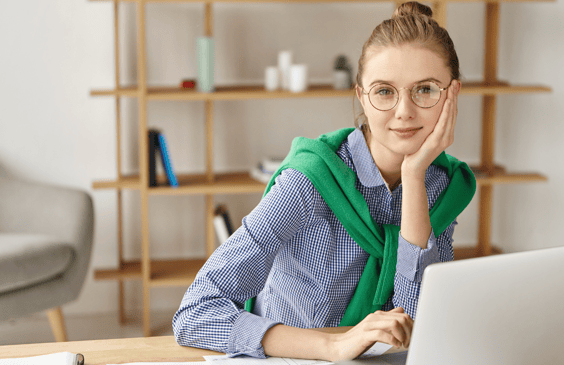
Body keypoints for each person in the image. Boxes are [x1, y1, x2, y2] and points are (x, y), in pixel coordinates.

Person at [172, 2, 475, 362]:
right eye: (384, 91)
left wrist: (414, 177)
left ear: (452, 94)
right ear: (361, 95)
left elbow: (415, 325)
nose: (404, 111)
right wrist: (333, 346)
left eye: (425, 90)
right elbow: (195, 313)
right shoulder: (310, 181)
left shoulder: (441, 185)